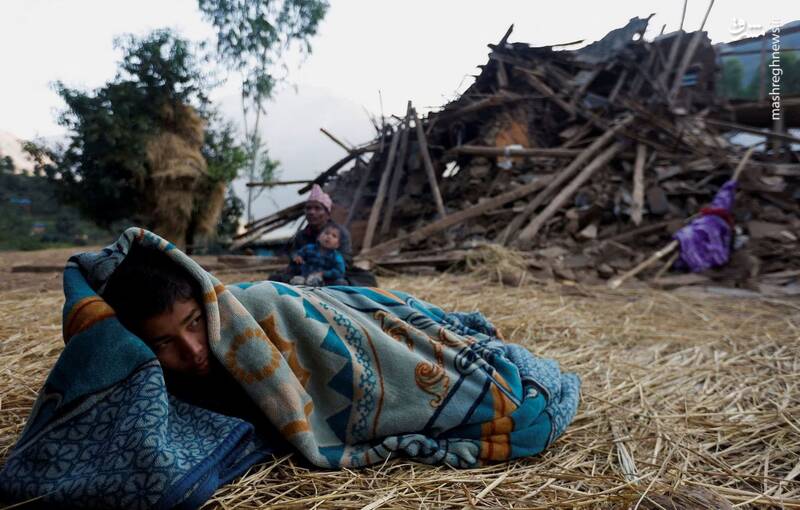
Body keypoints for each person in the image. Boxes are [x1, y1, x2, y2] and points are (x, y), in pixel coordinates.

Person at [102, 244, 281, 436]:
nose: (193, 350)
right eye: (164, 343)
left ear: (206, 303)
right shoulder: (151, 392)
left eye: (195, 321)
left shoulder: (247, 314)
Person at [269, 184, 377, 287]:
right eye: (308, 208)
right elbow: (296, 256)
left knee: (365, 279)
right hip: (305, 272)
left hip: (332, 273)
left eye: (317, 208)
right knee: (275, 278)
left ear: (327, 213)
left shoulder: (340, 233)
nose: (311, 212)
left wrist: (324, 270)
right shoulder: (301, 235)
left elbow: (346, 260)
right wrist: (296, 259)